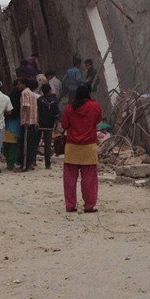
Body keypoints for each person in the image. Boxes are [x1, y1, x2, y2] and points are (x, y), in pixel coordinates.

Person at [61, 83, 102, 213]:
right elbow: (98, 119)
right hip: (88, 147)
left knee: (69, 180)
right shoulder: (94, 106)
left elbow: (64, 125)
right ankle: (89, 206)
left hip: (72, 146)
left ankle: (70, 205)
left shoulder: (69, 108)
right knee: (89, 179)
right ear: (89, 93)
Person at [17, 76, 39, 171]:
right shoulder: (33, 94)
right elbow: (36, 108)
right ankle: (29, 163)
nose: (18, 86)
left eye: (19, 84)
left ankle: (25, 165)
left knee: (25, 144)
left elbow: (27, 107)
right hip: (33, 121)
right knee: (30, 143)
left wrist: (27, 119)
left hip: (27, 122)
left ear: (23, 84)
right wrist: (36, 121)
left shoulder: (24, 93)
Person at [37, 82, 60, 169]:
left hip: (39, 124)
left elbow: (37, 112)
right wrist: (56, 126)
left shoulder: (39, 100)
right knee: (47, 144)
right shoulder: (53, 101)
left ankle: (32, 162)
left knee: (35, 142)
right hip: (49, 125)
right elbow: (56, 115)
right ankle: (47, 164)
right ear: (50, 90)